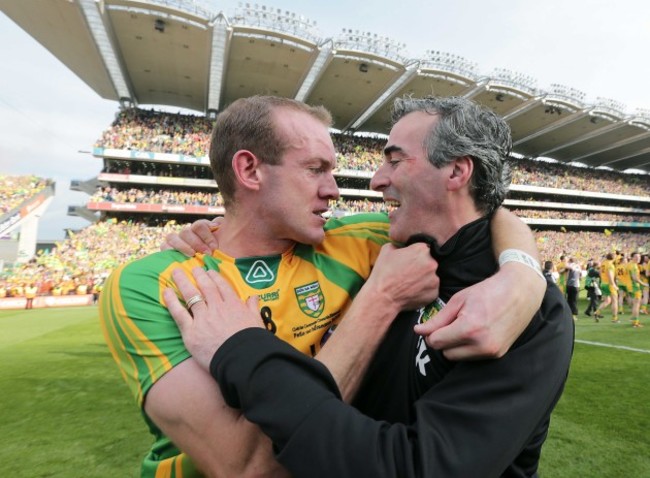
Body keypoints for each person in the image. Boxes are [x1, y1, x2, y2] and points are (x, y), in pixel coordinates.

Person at [100, 95, 546, 478]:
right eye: (315, 169)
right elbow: (250, 467)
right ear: (249, 170)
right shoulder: (152, 284)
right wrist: (379, 298)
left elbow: (473, 213)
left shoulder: (363, 239)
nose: (334, 190)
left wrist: (521, 277)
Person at [595, 252, 619, 322]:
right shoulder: (610, 265)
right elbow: (610, 275)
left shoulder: (603, 263)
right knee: (615, 301)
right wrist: (613, 284)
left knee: (607, 300)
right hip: (609, 284)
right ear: (613, 258)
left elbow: (600, 272)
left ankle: (597, 312)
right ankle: (614, 318)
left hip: (603, 283)